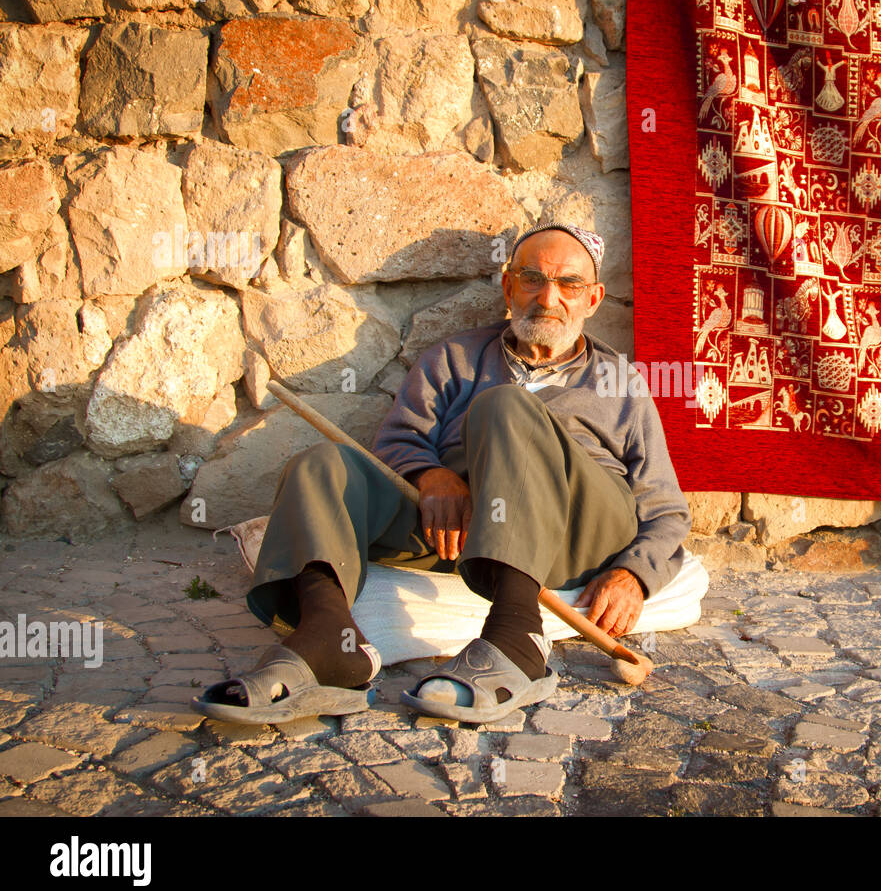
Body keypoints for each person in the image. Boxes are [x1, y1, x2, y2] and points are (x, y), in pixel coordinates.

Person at [192, 222, 691, 725]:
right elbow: (396, 441)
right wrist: (431, 476)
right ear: (507, 286)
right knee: (322, 465)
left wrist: (634, 575)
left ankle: (517, 635)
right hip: (458, 530)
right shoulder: (454, 358)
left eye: (569, 284)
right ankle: (328, 642)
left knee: (503, 407)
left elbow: (666, 510)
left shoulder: (620, 383)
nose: (548, 297)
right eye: (532, 278)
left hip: (573, 532)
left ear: (593, 298)